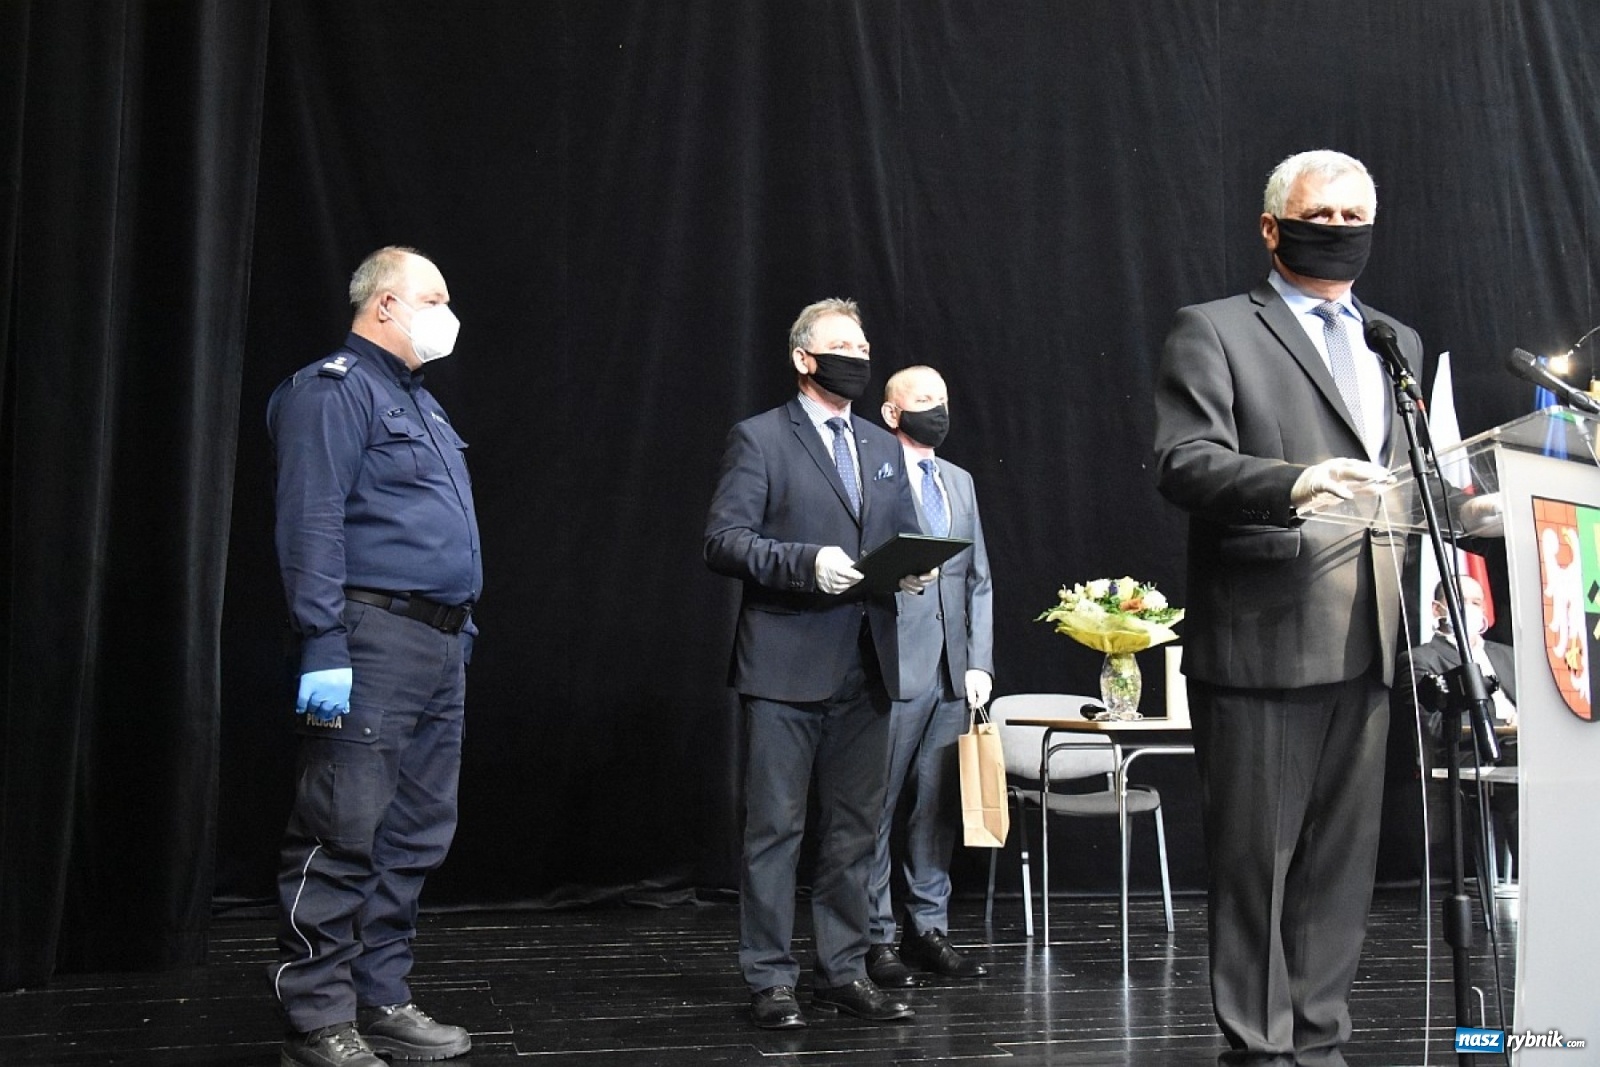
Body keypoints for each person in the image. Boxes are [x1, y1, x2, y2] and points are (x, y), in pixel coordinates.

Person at [1152, 150, 1419, 1066]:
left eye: (1354, 217)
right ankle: (1260, 1044)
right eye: (1321, 214)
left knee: (1342, 862)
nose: (1338, 229)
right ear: (1272, 227)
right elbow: (1183, 461)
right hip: (1264, 636)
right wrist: (1293, 483)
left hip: (1370, 635)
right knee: (1256, 863)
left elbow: (1409, 470)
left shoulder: (1393, 339)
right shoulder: (1217, 328)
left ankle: (1318, 1035)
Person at [268, 246, 480, 1067]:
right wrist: (322, 641)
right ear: (385, 303)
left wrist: (458, 634)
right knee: (342, 823)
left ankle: (380, 994)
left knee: (414, 832)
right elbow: (311, 520)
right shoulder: (333, 390)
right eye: (435, 297)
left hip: (437, 642)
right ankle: (318, 1013)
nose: (448, 314)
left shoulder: (419, 402)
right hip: (367, 640)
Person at [704, 298, 933, 1030]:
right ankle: (771, 978)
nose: (857, 358)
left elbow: (898, 535)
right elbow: (725, 541)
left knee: (855, 830)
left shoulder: (881, 445)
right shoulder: (761, 437)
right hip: (786, 664)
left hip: (868, 662)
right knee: (775, 830)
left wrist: (913, 566)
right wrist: (807, 564)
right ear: (804, 358)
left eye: (863, 347)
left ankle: (843, 969)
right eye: (842, 347)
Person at [864, 366, 994, 988]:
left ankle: (928, 927)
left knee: (935, 807)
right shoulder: (873, 472)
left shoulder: (959, 480)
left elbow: (979, 579)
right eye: (923, 400)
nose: (937, 409)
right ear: (892, 413)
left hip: (951, 672)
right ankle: (875, 936)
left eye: (942, 398)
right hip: (893, 665)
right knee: (876, 805)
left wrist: (979, 662)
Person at [1399, 575, 1518, 873]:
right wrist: (1504, 722)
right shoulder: (1420, 660)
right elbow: (1434, 726)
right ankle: (1540, 880)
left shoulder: (1508, 655)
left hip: (1523, 748)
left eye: (1476, 602)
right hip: (1468, 754)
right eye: (1461, 602)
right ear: (1437, 609)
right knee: (1526, 779)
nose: (1470, 609)